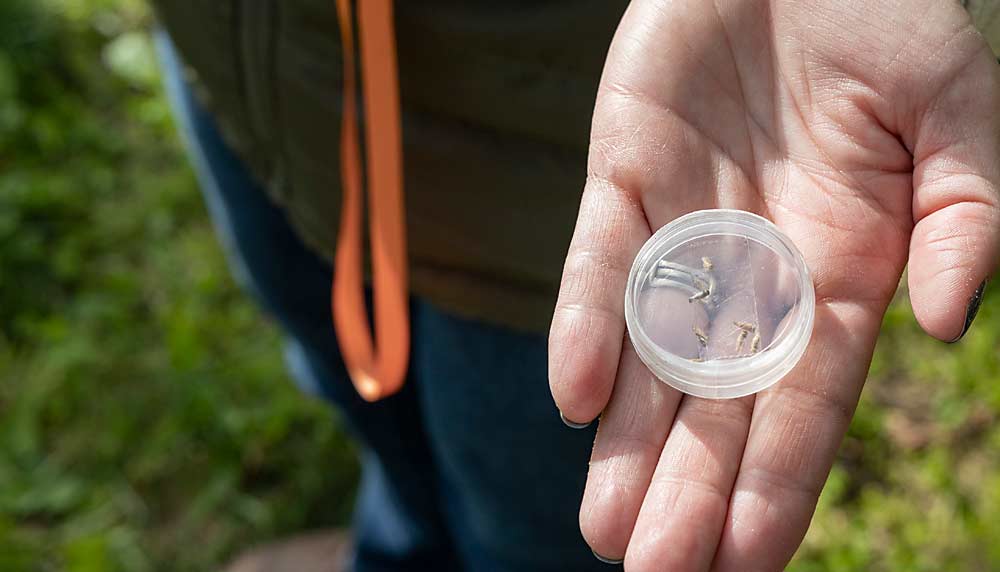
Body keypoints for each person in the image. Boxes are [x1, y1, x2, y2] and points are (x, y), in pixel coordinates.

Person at [152, 1, 1000, 570]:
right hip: (261, 81)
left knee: (533, 508)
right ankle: (402, 547)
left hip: (559, 152)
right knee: (356, 390)